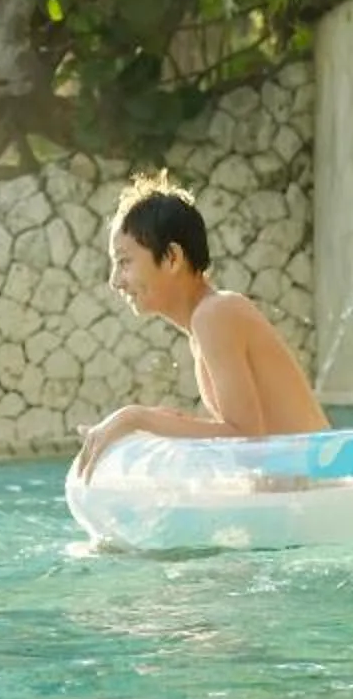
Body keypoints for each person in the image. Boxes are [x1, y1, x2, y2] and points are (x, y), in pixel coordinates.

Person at [71, 177, 327, 479]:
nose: (115, 281)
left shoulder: (215, 314)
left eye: (124, 262)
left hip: (322, 488)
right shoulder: (205, 322)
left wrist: (136, 418)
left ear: (171, 258)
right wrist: (157, 421)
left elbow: (245, 440)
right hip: (308, 486)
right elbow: (243, 438)